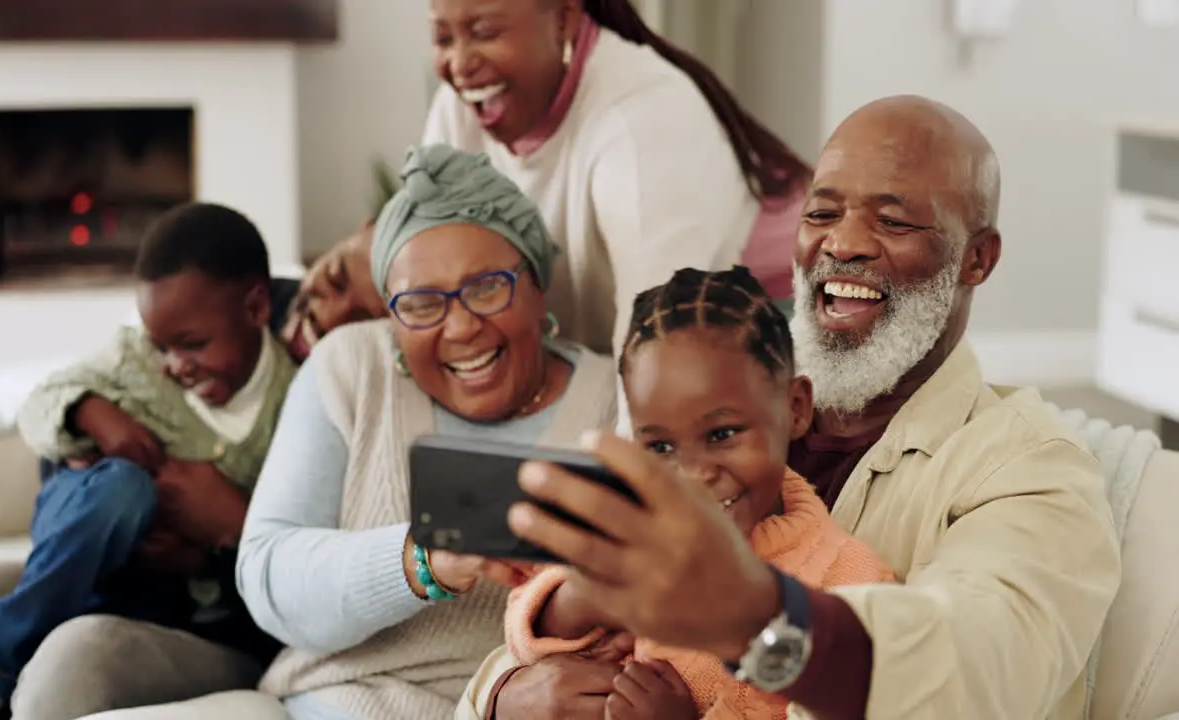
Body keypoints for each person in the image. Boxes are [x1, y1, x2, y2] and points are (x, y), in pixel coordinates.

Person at [457, 95, 1122, 719]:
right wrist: (506, 695)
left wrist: (758, 621)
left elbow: (975, 666)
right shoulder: (712, 405)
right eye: (822, 213)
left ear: (977, 259)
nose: (844, 243)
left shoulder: (1031, 472)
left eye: (892, 221)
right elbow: (559, 623)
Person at [76, 144, 621, 720]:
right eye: (420, 304)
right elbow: (268, 576)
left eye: (488, 287)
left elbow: (648, 626)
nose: (460, 327)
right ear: (391, 315)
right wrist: (422, 559)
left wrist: (492, 695)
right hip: (314, 704)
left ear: (537, 285)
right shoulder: (353, 366)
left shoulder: (614, 403)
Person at [0, 203, 295, 720]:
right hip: (93, 527)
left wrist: (210, 547)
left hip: (174, 602)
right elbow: (39, 406)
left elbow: (299, 544)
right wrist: (92, 413)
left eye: (192, 345)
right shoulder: (134, 360)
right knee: (121, 486)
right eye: (162, 346)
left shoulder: (296, 405)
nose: (175, 366)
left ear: (256, 308)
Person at [280, 0, 811, 361]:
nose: (460, 63)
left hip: (755, 336)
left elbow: (663, 351)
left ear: (562, 18)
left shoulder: (641, 122)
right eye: (443, 36)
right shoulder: (461, 108)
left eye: (485, 32)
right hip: (597, 351)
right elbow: (433, 270)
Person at [502, 266, 895, 720]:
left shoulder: (853, 586)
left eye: (722, 433)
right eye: (661, 446)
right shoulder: (630, 527)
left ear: (795, 409)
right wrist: (576, 602)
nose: (691, 475)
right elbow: (522, 634)